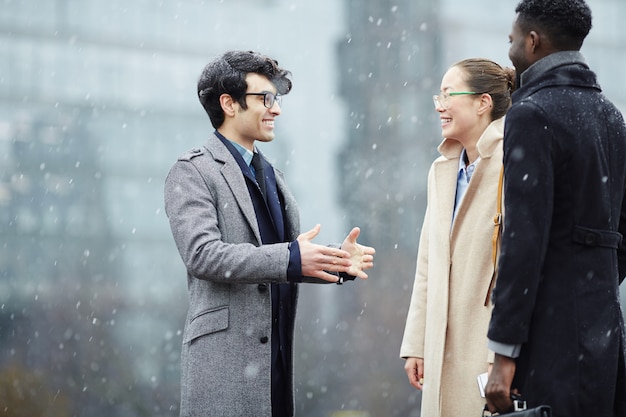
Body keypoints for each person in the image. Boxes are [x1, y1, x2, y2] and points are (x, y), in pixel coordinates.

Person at [164, 50, 376, 417]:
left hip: (275, 365)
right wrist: (292, 258)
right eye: (264, 98)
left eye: (275, 99)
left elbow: (282, 258)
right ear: (228, 104)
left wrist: (336, 260)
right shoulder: (192, 171)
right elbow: (203, 255)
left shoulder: (272, 175)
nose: (275, 109)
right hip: (224, 367)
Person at [485, 1, 626, 415]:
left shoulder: (531, 114)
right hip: (604, 332)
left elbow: (523, 241)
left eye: (512, 39)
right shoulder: (612, 117)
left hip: (550, 339)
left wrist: (503, 357)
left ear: (533, 42)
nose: (509, 47)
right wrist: (589, 285)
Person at [400, 58, 515, 416]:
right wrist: (417, 342)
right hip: (440, 343)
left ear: (483, 102)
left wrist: (502, 355)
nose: (440, 105)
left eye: (449, 94)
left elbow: (517, 264)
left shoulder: (512, 162)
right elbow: (427, 263)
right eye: (439, 95)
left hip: (487, 345)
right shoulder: (442, 170)